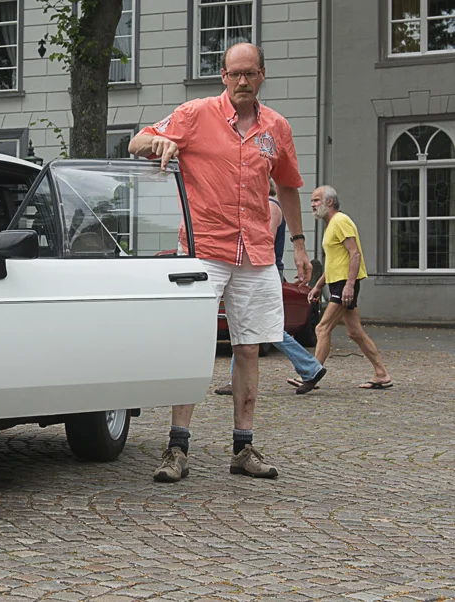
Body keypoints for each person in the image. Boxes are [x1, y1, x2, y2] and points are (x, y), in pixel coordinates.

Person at [129, 42, 312, 482]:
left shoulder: (277, 128)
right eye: (235, 74)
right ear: (224, 77)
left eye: (250, 73)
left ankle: (242, 448)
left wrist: (301, 245)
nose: (242, 81)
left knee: (250, 348)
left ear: (262, 75)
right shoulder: (195, 114)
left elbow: (287, 186)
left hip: (256, 252)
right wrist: (156, 140)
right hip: (203, 249)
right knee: (192, 344)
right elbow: (137, 142)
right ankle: (177, 447)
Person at [215, 180, 327, 397]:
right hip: (259, 270)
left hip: (262, 270)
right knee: (245, 325)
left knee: (266, 328)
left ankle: (310, 368)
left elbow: (265, 240)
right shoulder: (267, 205)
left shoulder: (271, 206)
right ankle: (235, 379)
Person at [308, 186, 393, 389]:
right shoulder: (331, 225)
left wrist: (349, 285)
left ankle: (310, 375)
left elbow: (355, 254)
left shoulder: (341, 221)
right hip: (339, 283)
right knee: (354, 332)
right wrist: (318, 286)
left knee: (322, 327)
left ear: (330, 202)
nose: (312, 205)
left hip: (345, 284)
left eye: (316, 200)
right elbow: (334, 262)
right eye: (312, 201)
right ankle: (381, 374)